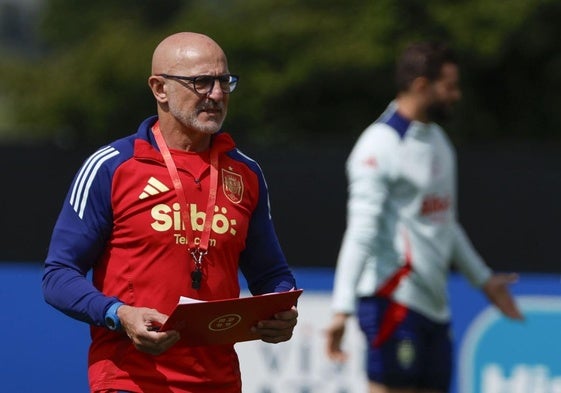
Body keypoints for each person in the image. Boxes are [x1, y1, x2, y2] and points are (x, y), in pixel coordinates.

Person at [42, 32, 298, 393]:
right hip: (130, 380)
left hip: (218, 382)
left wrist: (281, 312)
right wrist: (120, 314)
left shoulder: (246, 173)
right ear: (159, 88)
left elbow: (271, 274)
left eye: (225, 81)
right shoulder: (112, 166)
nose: (217, 94)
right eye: (201, 82)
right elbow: (57, 276)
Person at [325, 42, 523, 393]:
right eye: (448, 86)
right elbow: (361, 232)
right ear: (421, 85)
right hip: (392, 303)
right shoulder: (378, 145)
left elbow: (445, 222)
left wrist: (483, 280)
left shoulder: (440, 143)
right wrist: (342, 308)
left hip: (436, 309)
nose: (456, 95)